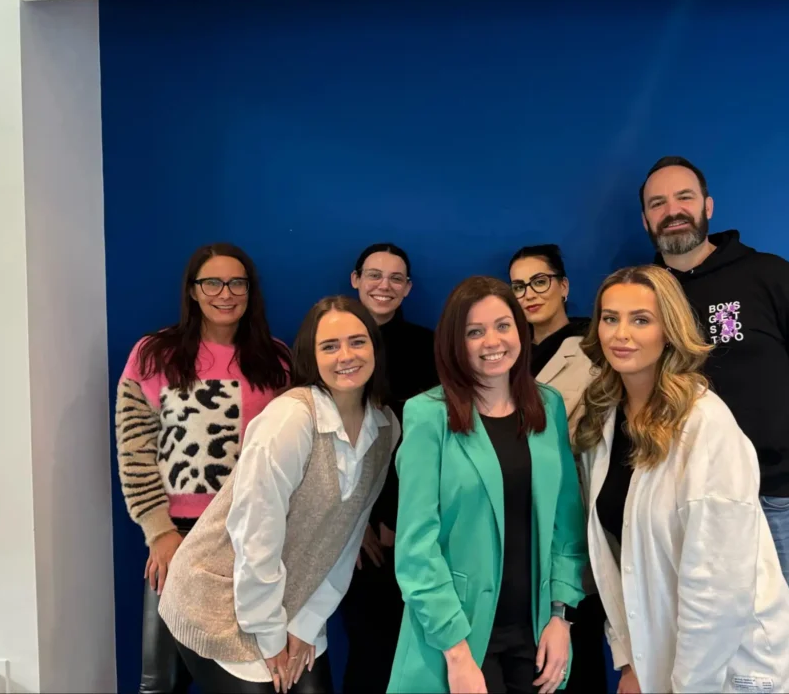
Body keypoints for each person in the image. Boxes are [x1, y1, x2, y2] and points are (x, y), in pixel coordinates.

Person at [640, 155, 789, 693]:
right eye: (657, 203)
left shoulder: (771, 278)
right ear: (645, 221)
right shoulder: (643, 298)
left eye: (684, 198)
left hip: (775, 503)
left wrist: (788, 465)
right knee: (699, 663)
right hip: (682, 507)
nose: (672, 211)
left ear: (707, 206)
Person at [576, 265, 789, 694]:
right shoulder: (605, 423)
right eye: (610, 318)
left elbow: (717, 588)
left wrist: (687, 686)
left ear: (670, 329)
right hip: (662, 662)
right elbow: (621, 561)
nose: (620, 334)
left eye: (640, 320)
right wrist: (631, 662)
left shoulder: (706, 425)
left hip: (733, 669)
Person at [156, 295, 399, 694]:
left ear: (375, 346)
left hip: (294, 602)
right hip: (219, 602)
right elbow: (256, 535)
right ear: (311, 356)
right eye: (329, 346)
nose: (346, 355)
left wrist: (306, 622)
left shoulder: (386, 428)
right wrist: (270, 636)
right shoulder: (291, 419)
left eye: (358, 341)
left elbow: (347, 540)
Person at [388, 276, 588, 694]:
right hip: (458, 637)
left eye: (502, 325)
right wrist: (457, 653)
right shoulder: (427, 415)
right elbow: (416, 546)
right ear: (453, 343)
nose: (491, 341)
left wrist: (560, 616)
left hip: (536, 634)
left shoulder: (546, 405)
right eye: (474, 332)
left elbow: (565, 524)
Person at [114, 242, 291, 694]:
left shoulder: (277, 360)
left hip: (250, 537)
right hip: (178, 536)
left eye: (237, 282)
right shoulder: (154, 355)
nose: (225, 292)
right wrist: (159, 532)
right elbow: (134, 448)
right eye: (211, 282)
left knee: (248, 678)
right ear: (193, 291)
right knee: (161, 680)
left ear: (251, 291)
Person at [341, 243, 438, 692]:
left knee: (418, 649)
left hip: (414, 524)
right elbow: (324, 449)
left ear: (408, 288)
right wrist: (357, 523)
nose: (385, 285)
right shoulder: (329, 343)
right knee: (367, 649)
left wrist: (401, 520)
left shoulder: (429, 347)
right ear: (355, 279)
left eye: (396, 278)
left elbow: (434, 445)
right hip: (351, 532)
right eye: (374, 275)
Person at [508, 245, 605, 694]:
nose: (529, 293)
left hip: (573, 520)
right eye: (519, 285)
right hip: (515, 524)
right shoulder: (505, 354)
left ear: (564, 286)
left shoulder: (596, 351)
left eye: (540, 281)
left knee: (574, 650)